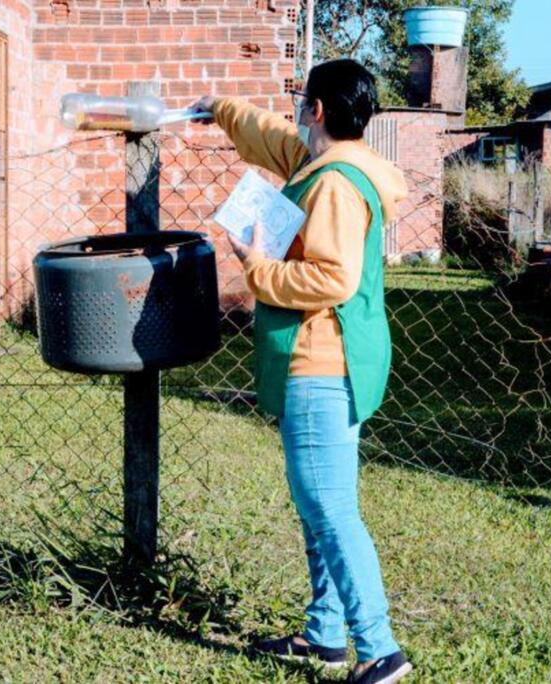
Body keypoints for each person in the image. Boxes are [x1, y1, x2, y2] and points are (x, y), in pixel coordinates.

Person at [190, 59, 411, 684]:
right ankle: (323, 637)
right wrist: (220, 108)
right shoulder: (323, 165)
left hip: (322, 359)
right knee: (321, 505)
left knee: (330, 506)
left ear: (317, 110)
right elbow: (275, 140)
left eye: (301, 101)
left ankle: (380, 649)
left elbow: (331, 277)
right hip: (332, 358)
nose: (295, 111)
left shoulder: (335, 185)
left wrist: (256, 266)